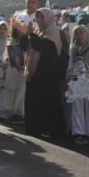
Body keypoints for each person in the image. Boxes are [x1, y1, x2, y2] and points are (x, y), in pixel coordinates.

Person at [17, 7, 64, 138]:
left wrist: (32, 35)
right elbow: (28, 47)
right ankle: (33, 127)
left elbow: (46, 47)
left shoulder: (54, 32)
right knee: (33, 101)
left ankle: (47, 129)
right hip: (35, 72)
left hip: (47, 75)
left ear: (48, 18)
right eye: (37, 17)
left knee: (45, 102)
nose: (39, 20)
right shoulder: (38, 31)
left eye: (41, 17)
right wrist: (24, 36)